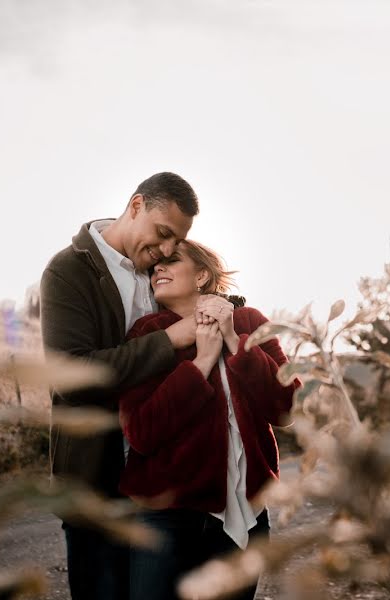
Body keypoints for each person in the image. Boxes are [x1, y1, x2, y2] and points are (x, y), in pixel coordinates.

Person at [40, 172, 220, 600]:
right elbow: (73, 377)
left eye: (175, 243)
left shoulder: (159, 272)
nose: (165, 250)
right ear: (136, 206)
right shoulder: (68, 271)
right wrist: (170, 339)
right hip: (96, 486)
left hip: (159, 489)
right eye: (161, 234)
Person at [117, 240, 299, 600]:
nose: (158, 269)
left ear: (202, 275)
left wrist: (234, 340)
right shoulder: (147, 333)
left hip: (247, 510)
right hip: (165, 516)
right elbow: (141, 431)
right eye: (154, 266)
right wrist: (200, 364)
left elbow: (287, 407)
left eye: (170, 261)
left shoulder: (251, 322)